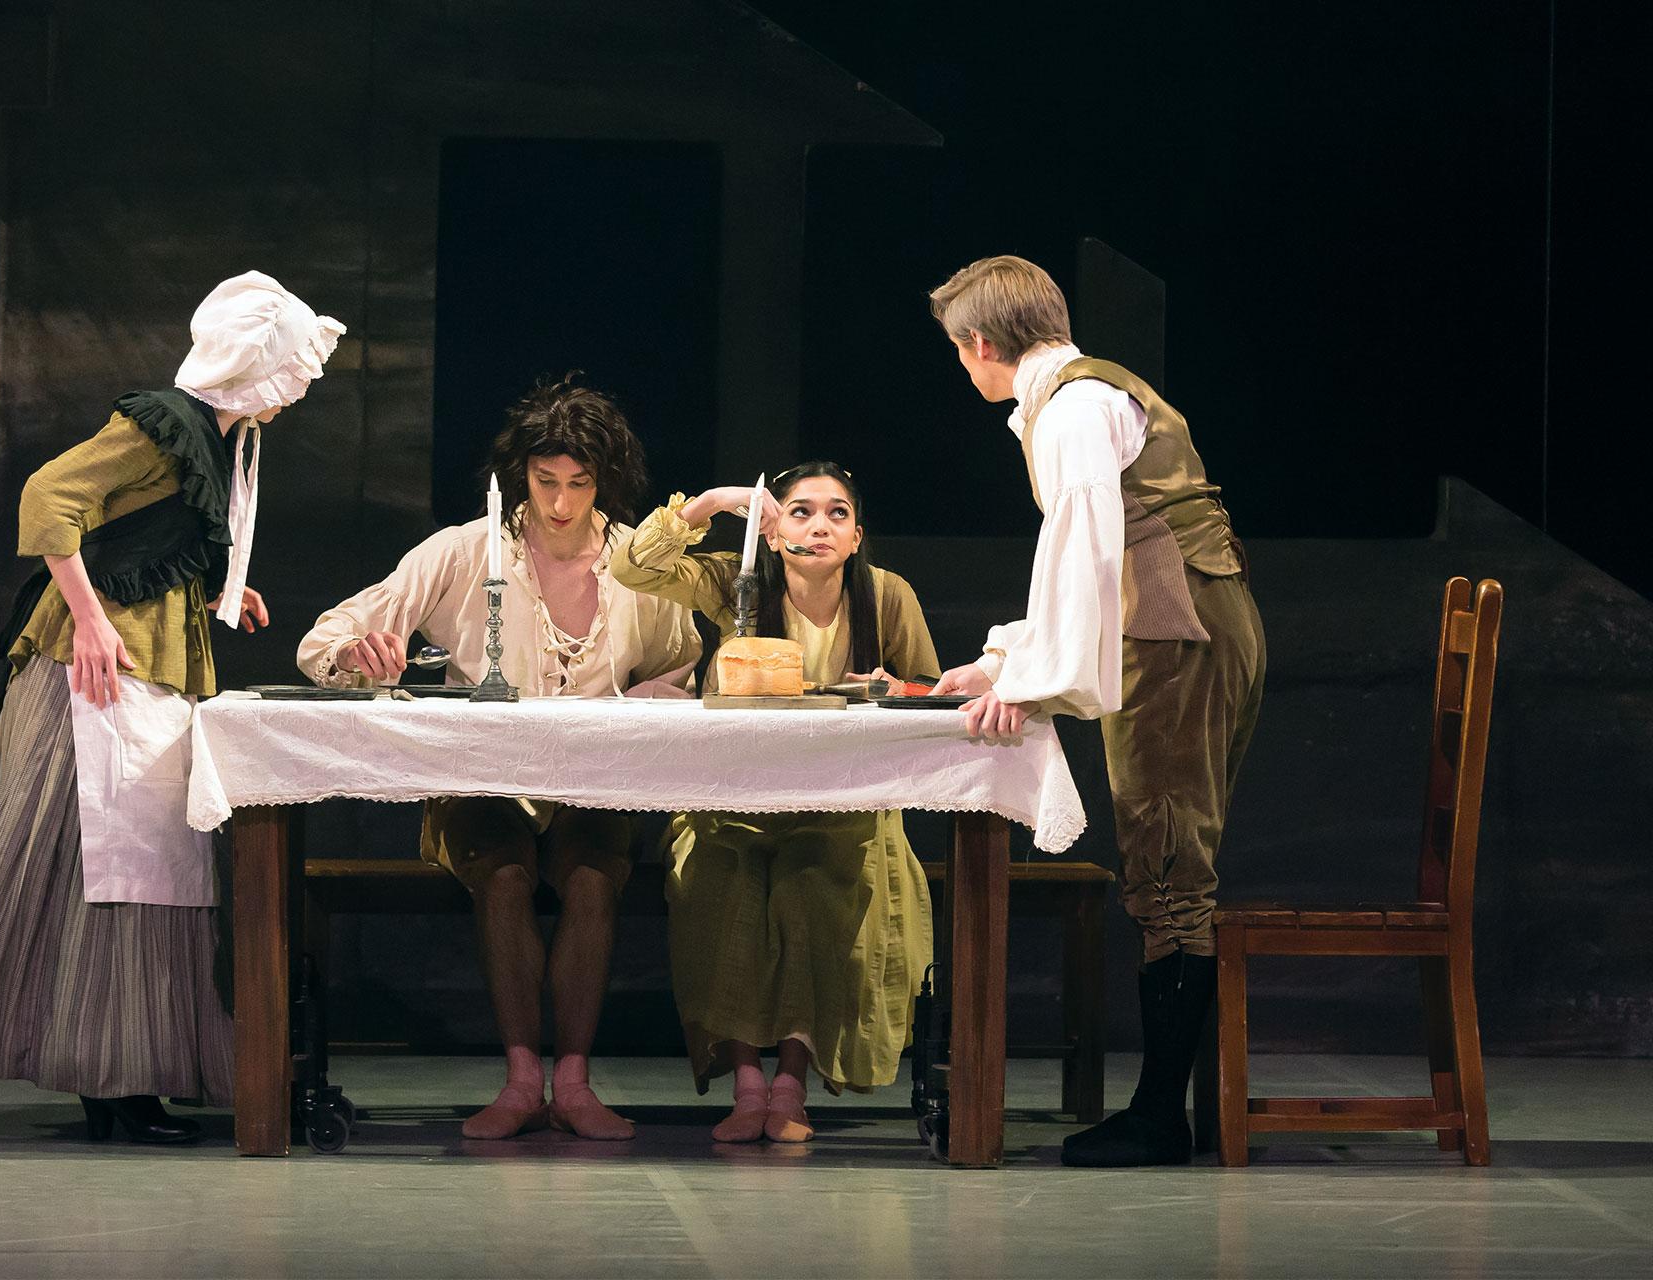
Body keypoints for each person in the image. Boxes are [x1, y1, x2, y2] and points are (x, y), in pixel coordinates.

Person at [0, 271, 344, 1144]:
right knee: (103, 876)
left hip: (154, 661)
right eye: (288, 376)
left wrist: (217, 590)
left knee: (147, 878)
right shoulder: (160, 424)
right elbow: (48, 497)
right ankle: (110, 1079)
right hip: (96, 672)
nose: (292, 396)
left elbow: (151, 533)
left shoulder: (217, 438)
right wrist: (93, 621)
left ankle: (126, 1073)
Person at [926, 255, 1265, 1166]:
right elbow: (1084, 555)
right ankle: (1162, 1111)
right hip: (1178, 623)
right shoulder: (1079, 395)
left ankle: (1161, 1118)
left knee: (1167, 860)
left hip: (1173, 631)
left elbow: (1087, 552)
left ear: (983, 343)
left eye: (959, 351)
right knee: (1166, 859)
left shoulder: (1072, 409)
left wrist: (1030, 684)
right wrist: (1008, 657)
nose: (962, 369)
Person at [297, 376, 699, 1141]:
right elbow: (326, 640)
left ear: (601, 483)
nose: (559, 503)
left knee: (588, 880)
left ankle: (573, 1082)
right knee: (507, 874)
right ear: (522, 477)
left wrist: (656, 695)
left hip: (593, 780)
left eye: (579, 484)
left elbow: (682, 659)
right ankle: (521, 1079)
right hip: (481, 781)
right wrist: (358, 650)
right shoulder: (467, 550)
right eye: (546, 482)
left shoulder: (633, 565)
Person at [611, 462, 938, 1143]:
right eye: (800, 511)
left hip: (841, 804)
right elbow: (632, 569)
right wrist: (711, 503)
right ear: (773, 527)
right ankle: (747, 1085)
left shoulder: (886, 596)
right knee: (717, 887)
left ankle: (790, 1082)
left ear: (855, 537)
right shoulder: (738, 581)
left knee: (812, 892)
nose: (819, 525)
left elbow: (932, 693)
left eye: (837, 514)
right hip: (732, 797)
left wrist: (892, 687)